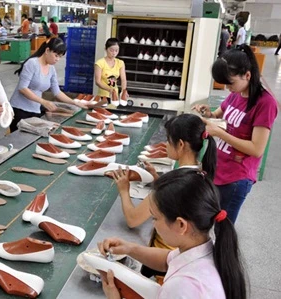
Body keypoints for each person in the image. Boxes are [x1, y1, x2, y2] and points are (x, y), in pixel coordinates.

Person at [98, 169, 247, 299]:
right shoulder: (206, 249)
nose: (153, 223)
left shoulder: (183, 286)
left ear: (181, 225)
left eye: (155, 218)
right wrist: (130, 248)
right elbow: (166, 260)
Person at [110, 113, 217, 281]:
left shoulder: (176, 184)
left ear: (180, 144)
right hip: (178, 253)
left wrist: (124, 190)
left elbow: (132, 220)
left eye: (168, 140)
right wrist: (157, 181)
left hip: (165, 258)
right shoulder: (199, 174)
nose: (166, 144)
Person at [192, 44, 278, 223]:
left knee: (224, 231)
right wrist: (207, 113)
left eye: (230, 83)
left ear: (247, 75)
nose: (227, 88)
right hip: (219, 168)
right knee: (208, 222)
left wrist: (220, 133)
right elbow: (219, 114)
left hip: (236, 177)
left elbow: (256, 149)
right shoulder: (237, 93)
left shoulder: (265, 103)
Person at [9, 38, 87, 132]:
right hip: (19, 110)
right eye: (56, 55)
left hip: (35, 110)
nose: (57, 59)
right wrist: (43, 102)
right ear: (47, 50)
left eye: (60, 57)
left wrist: (74, 102)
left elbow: (57, 92)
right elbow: (22, 88)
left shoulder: (51, 69)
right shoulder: (32, 64)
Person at [94, 38, 128, 103]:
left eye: (116, 50)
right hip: (103, 95)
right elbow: (97, 82)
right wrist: (110, 90)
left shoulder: (120, 63)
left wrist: (123, 91)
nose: (114, 53)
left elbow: (123, 79)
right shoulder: (100, 63)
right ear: (106, 49)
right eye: (111, 50)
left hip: (114, 95)